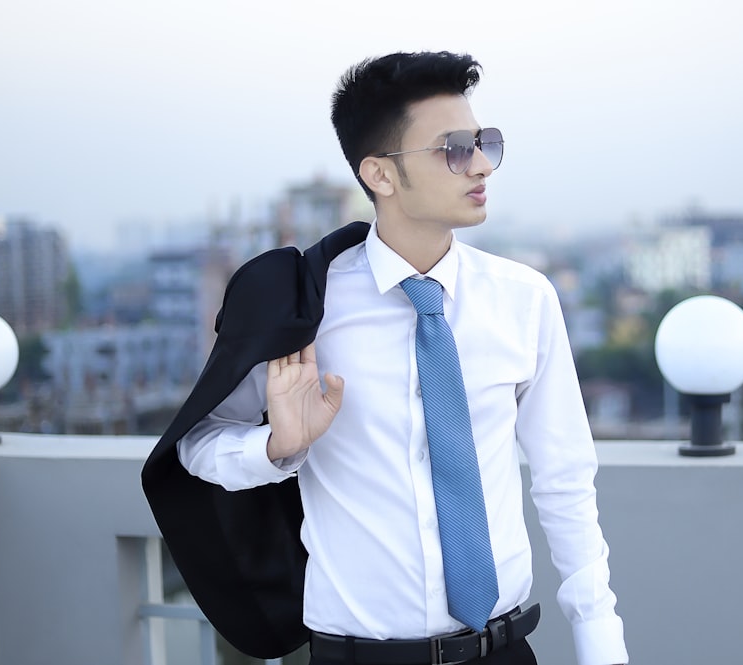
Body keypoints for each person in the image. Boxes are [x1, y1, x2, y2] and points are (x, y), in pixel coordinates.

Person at [175, 51, 628, 665]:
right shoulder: (303, 306)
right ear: (380, 175)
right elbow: (198, 446)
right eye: (453, 149)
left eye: (484, 142)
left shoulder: (524, 299)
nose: (481, 166)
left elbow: (565, 477)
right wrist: (278, 446)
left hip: (504, 650)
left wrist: (601, 643)